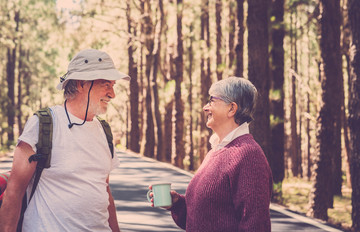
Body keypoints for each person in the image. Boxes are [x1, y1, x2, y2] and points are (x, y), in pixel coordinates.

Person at [0, 49, 130, 232]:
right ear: (81, 84)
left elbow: (103, 190)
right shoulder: (43, 124)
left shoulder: (104, 130)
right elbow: (14, 192)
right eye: (106, 84)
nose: (112, 94)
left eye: (113, 85)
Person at [149, 76, 273, 231]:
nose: (205, 108)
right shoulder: (216, 150)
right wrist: (177, 204)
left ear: (231, 109)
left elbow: (256, 225)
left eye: (212, 101)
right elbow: (202, 220)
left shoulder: (248, 156)